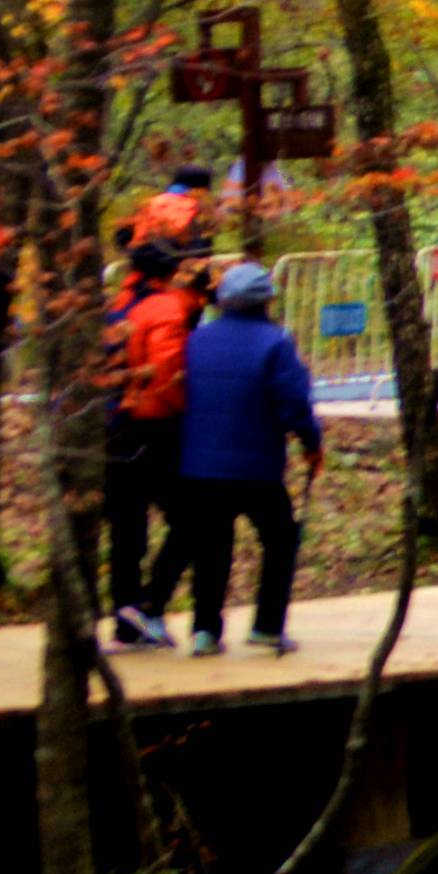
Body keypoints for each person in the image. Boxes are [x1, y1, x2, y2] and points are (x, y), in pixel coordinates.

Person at [158, 257, 324, 654]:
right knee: (281, 539)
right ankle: (267, 625)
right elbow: (293, 403)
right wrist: (311, 443)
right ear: (266, 301)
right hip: (257, 468)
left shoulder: (197, 340)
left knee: (211, 548)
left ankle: (205, 631)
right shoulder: (276, 343)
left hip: (200, 467)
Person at [100, 251, 198, 649]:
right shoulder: (166, 310)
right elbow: (166, 373)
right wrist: (183, 408)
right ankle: (150, 605)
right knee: (189, 519)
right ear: (170, 273)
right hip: (155, 427)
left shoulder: (117, 307)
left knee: (126, 526)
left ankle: (126, 614)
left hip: (112, 427)